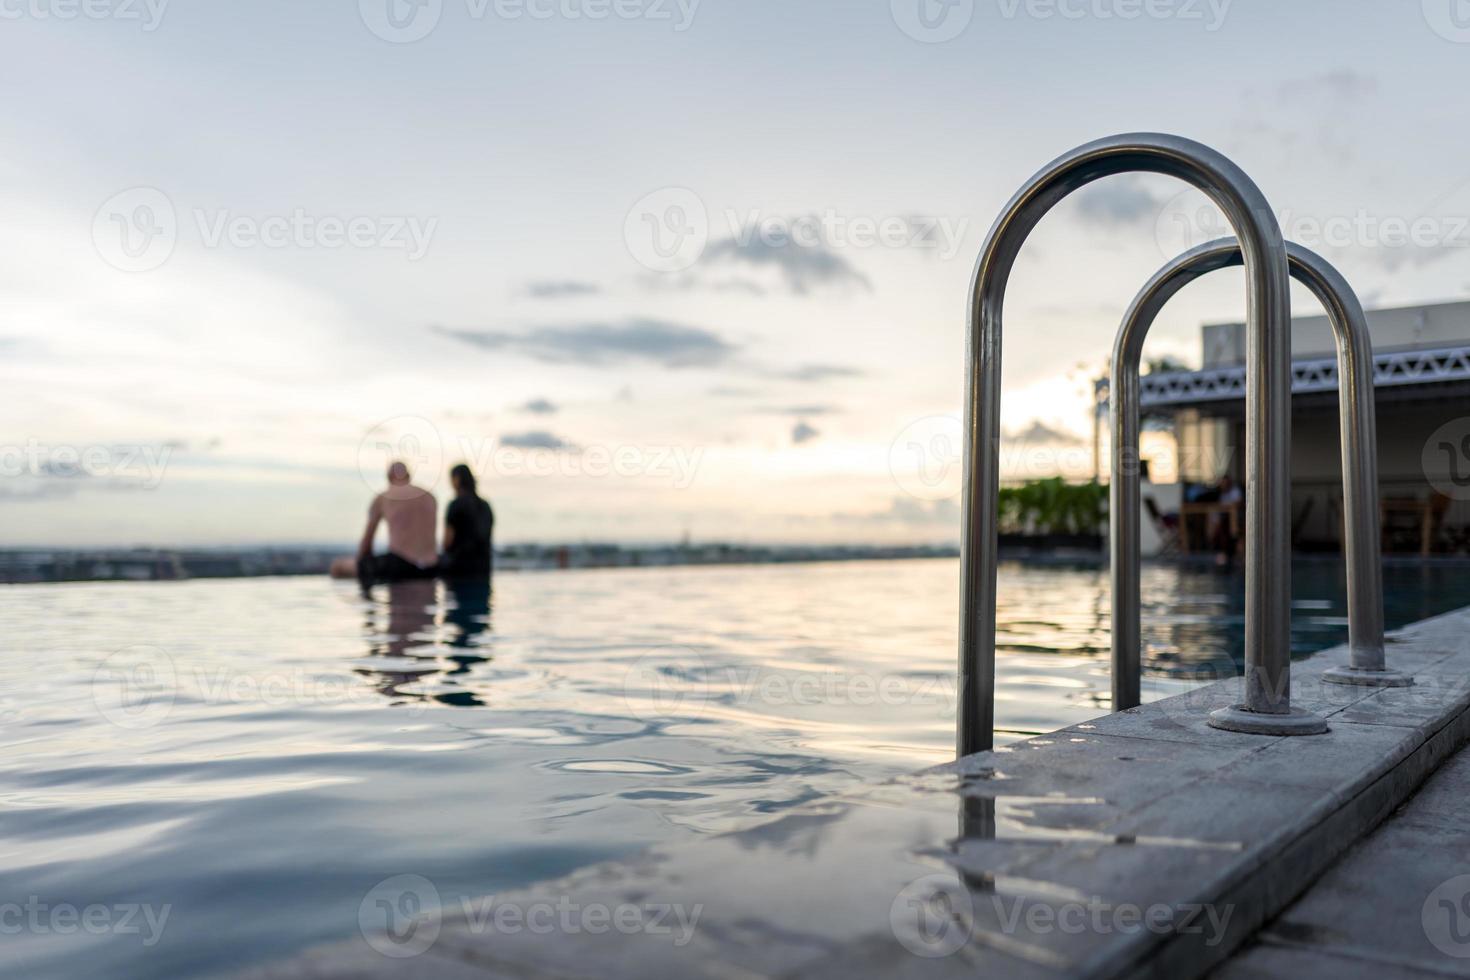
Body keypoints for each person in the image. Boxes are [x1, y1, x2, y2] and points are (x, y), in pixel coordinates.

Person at [342, 461, 439, 586]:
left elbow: (366, 544)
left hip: (398, 566)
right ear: (408, 476)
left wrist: (364, 566)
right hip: (431, 568)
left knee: (338, 567)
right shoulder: (430, 496)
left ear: (389, 477)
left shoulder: (383, 497)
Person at [440, 463, 495, 580]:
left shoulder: (455, 505)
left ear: (457, 479)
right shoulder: (485, 505)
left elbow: (447, 542)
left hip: (459, 566)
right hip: (484, 565)